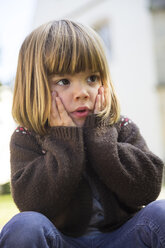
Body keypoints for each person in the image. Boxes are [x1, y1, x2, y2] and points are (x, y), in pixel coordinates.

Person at [0, 19, 164, 248]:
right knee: (23, 226)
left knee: (161, 212)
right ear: (35, 87)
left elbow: (147, 189)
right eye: (64, 81)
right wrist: (64, 141)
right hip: (62, 241)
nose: (82, 92)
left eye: (92, 78)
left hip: (123, 239)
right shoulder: (28, 137)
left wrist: (101, 135)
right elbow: (33, 205)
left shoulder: (119, 125)